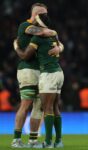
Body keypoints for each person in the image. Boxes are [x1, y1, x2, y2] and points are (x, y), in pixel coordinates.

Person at [12, 3, 62, 148]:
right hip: (28, 70)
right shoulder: (24, 26)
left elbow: (59, 42)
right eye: (41, 14)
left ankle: (33, 140)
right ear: (34, 15)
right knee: (26, 104)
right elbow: (43, 33)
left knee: (39, 106)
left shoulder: (46, 30)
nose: (44, 16)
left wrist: (59, 47)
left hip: (43, 71)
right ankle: (16, 140)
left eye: (45, 13)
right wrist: (52, 32)